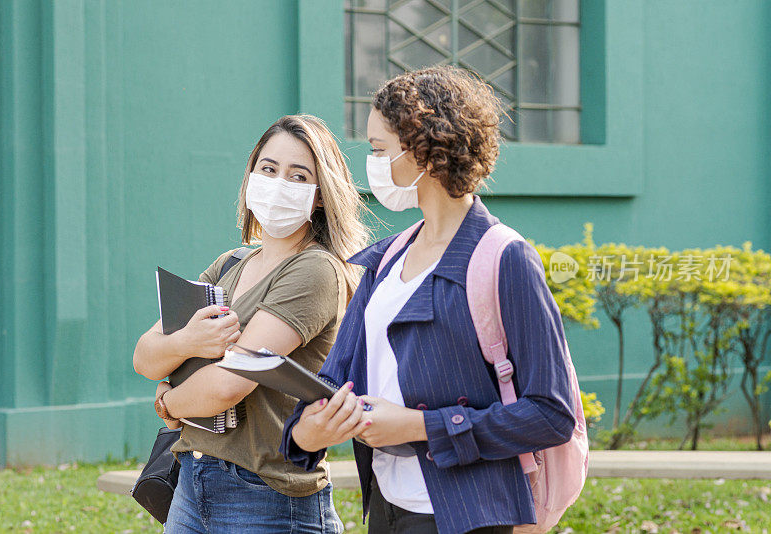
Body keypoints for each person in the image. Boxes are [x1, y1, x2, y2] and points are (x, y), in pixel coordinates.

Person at [281, 66, 577, 534]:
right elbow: (334, 377)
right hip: (386, 507)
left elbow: (552, 413)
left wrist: (421, 427)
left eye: (379, 149)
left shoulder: (505, 258)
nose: (372, 163)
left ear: (425, 151)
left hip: (466, 515)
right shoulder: (388, 256)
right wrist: (306, 431)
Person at [133, 114, 368, 533]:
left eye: (299, 176)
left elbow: (229, 384)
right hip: (192, 479)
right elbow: (145, 358)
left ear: (319, 196)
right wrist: (189, 339)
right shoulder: (230, 263)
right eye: (269, 168)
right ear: (251, 174)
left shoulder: (316, 270)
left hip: (267, 496)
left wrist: (168, 404)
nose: (279, 184)